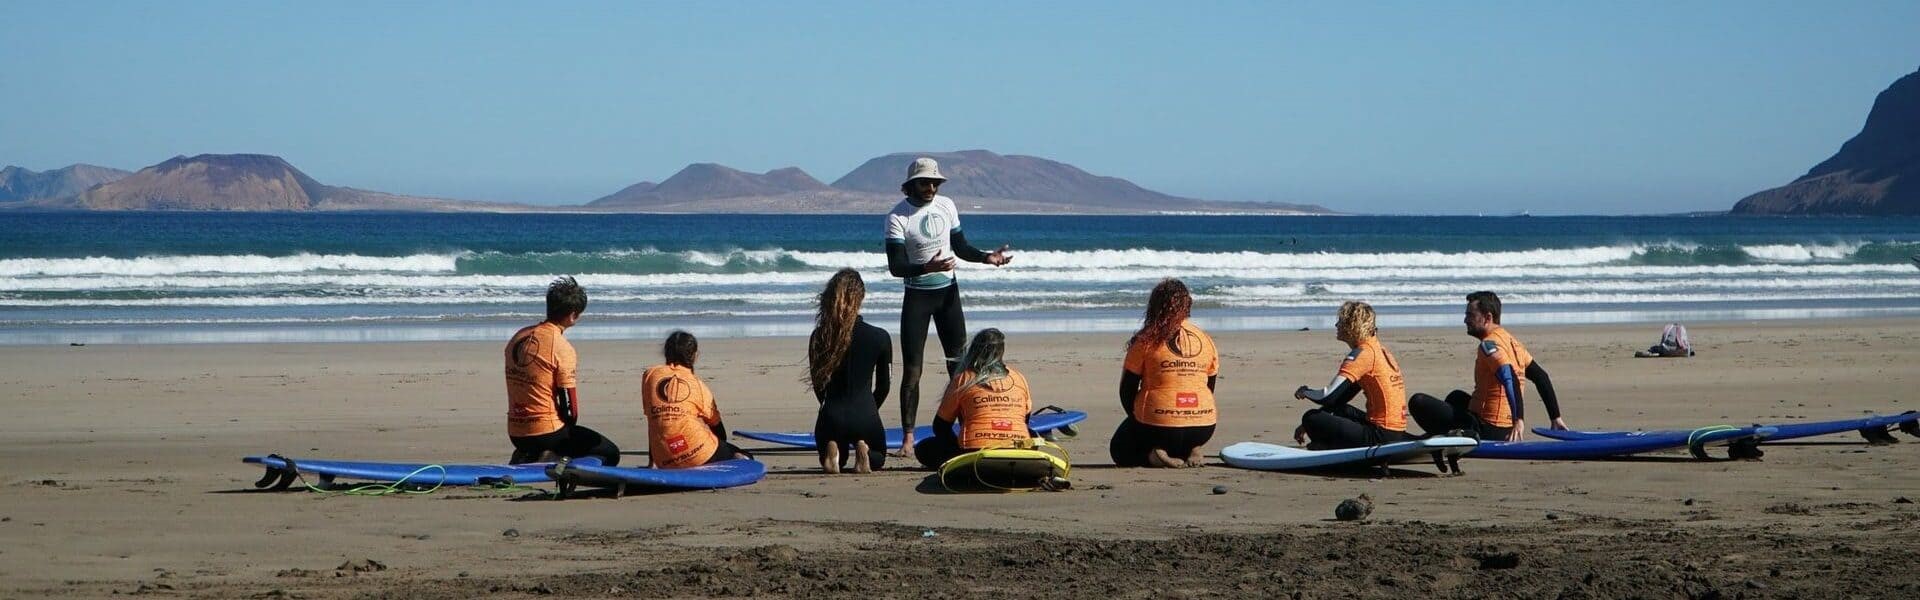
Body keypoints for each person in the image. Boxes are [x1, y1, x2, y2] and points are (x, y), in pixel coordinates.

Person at [884, 157, 1013, 457]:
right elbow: (896, 266)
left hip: (948, 296)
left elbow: (961, 247)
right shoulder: (897, 217)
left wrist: (986, 258)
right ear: (911, 184)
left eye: (935, 183)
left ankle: (968, 425)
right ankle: (908, 438)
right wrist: (926, 267)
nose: (931, 187)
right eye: (925, 182)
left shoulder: (947, 206)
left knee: (959, 366)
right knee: (913, 372)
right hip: (917, 298)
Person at [1408, 291, 1567, 442]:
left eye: (1470, 315)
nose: (1465, 320)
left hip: (1488, 430)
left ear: (1487, 318)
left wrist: (1519, 420)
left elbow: (1510, 377)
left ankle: (1452, 438)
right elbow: (1541, 377)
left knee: (1418, 402)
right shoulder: (1511, 341)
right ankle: (1444, 434)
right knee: (1455, 397)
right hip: (1503, 427)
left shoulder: (1488, 345)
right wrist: (1555, 417)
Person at [504, 276, 621, 465]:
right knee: (610, 453)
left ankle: (529, 454)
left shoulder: (518, 337)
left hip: (516, 434)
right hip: (546, 433)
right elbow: (570, 409)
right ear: (573, 315)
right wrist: (565, 440)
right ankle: (551, 456)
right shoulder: (561, 347)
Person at [1110, 279, 1219, 468]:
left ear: (1154, 306)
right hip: (1204, 426)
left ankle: (1155, 455)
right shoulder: (1206, 339)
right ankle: (1193, 448)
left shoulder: (1146, 340)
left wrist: (1139, 421)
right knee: (1177, 430)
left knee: (1120, 448)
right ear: (1188, 305)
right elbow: (1209, 387)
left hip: (1158, 425)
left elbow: (1126, 390)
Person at [1292, 301, 1414, 449]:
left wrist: (1304, 392)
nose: (1336, 326)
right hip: (1395, 432)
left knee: (1311, 417)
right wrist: (1305, 425)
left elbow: (1327, 396)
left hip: (1380, 436)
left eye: (1340, 321)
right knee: (1341, 410)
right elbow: (1339, 398)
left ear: (1352, 326)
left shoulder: (1363, 354)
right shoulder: (1378, 349)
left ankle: (1328, 447)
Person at [807, 269, 892, 474]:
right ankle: (864, 449)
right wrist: (870, 406)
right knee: (879, 456)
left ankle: (833, 450)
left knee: (830, 440)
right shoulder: (879, 337)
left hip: (831, 415)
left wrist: (829, 406)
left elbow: (818, 385)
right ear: (860, 298)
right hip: (866, 414)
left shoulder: (819, 336)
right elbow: (884, 386)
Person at [913, 328, 1033, 469]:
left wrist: (956, 446)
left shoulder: (964, 379)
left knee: (923, 448)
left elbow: (940, 427)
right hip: (1018, 448)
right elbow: (1025, 420)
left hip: (975, 450)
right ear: (1002, 351)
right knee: (1033, 434)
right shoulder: (1019, 377)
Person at [640, 331, 750, 468]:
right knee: (743, 455)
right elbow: (718, 429)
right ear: (695, 355)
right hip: (697, 454)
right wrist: (721, 449)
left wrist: (652, 463)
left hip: (663, 459)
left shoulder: (650, 375)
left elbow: (653, 421)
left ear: (666, 353)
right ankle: (735, 458)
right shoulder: (698, 385)